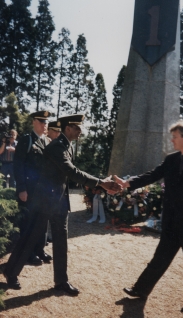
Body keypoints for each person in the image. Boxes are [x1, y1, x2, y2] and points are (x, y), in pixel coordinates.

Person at [3, 114, 121, 295]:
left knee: (61, 241)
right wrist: (100, 183)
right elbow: (71, 171)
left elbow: (66, 175)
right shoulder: (57, 147)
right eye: (77, 127)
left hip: (59, 201)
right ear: (68, 128)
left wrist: (98, 184)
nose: (80, 131)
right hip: (43, 200)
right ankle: (10, 272)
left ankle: (61, 281)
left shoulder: (67, 145)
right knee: (30, 237)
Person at [114, 119, 183, 317]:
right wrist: (127, 183)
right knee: (160, 258)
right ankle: (141, 289)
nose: (172, 140)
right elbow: (152, 175)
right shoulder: (171, 160)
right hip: (171, 222)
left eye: (175, 136)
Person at [13, 111, 52, 266]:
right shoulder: (26, 140)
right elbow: (18, 165)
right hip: (28, 190)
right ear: (34, 122)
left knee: (40, 222)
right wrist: (21, 188)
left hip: (42, 190)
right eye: (41, 122)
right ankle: (27, 253)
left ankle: (38, 250)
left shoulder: (46, 141)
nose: (44, 125)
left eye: (46, 122)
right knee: (28, 223)